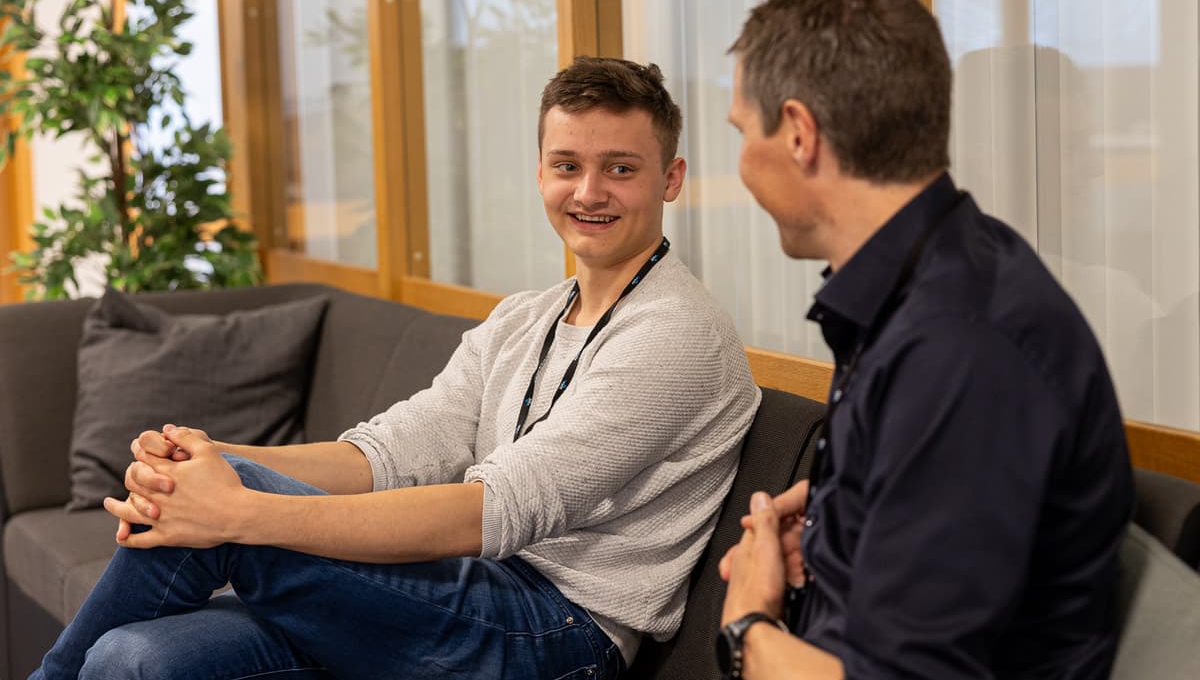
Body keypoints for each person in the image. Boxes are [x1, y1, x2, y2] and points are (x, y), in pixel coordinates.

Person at [31, 57, 761, 680]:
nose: (589, 192)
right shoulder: (524, 316)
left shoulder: (677, 334)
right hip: (462, 595)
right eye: (568, 165)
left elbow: (494, 509)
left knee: (226, 506)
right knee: (136, 657)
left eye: (620, 169)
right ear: (541, 171)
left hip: (557, 635)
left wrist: (241, 505)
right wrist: (208, 460)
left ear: (670, 178)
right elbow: (393, 452)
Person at [716, 0, 1133, 680]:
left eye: (742, 132)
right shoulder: (938, 271)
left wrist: (746, 627)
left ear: (798, 134)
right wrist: (828, 518)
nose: (742, 165)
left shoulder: (960, 348)